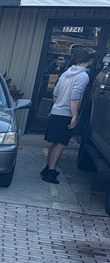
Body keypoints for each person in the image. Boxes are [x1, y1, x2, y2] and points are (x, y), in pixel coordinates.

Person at [42, 47, 97, 183]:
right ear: (89, 60)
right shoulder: (83, 76)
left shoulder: (66, 73)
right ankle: (51, 172)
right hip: (66, 114)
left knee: (54, 143)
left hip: (56, 111)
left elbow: (55, 93)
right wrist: (74, 115)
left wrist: (57, 105)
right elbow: (75, 97)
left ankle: (48, 168)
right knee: (61, 144)